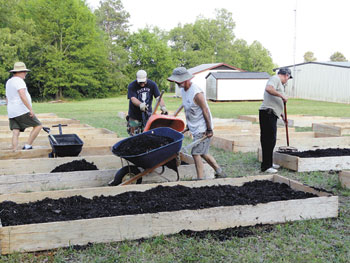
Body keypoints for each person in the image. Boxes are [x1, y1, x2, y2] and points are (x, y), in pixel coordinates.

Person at [167, 67, 227, 180]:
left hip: (203, 128)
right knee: (203, 153)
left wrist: (209, 129)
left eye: (178, 81)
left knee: (195, 153)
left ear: (186, 79)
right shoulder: (184, 91)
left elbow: (205, 110)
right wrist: (189, 125)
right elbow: (189, 109)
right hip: (195, 127)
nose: (176, 83)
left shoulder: (196, 92)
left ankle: (200, 179)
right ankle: (219, 171)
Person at [259, 67, 292, 173]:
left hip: (272, 113)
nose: (287, 80)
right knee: (268, 140)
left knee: (271, 140)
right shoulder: (275, 79)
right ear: (286, 75)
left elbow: (276, 100)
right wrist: (281, 95)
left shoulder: (279, 83)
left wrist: (282, 114)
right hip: (268, 113)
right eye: (288, 78)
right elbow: (269, 89)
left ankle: (268, 162)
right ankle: (266, 166)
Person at [5, 62, 42, 151]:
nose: (25, 73)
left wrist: (10, 108)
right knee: (38, 126)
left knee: (15, 131)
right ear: (19, 72)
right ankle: (28, 146)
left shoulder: (9, 81)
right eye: (24, 72)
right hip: (21, 110)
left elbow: (7, 98)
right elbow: (22, 95)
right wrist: (30, 109)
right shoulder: (19, 81)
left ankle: (14, 150)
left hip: (12, 111)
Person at [127, 70, 168, 135]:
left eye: (143, 82)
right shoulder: (132, 86)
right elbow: (133, 98)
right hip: (134, 114)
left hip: (147, 114)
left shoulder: (152, 85)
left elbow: (158, 97)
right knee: (133, 134)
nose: (142, 84)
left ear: (146, 78)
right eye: (140, 82)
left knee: (147, 133)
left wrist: (163, 106)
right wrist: (140, 105)